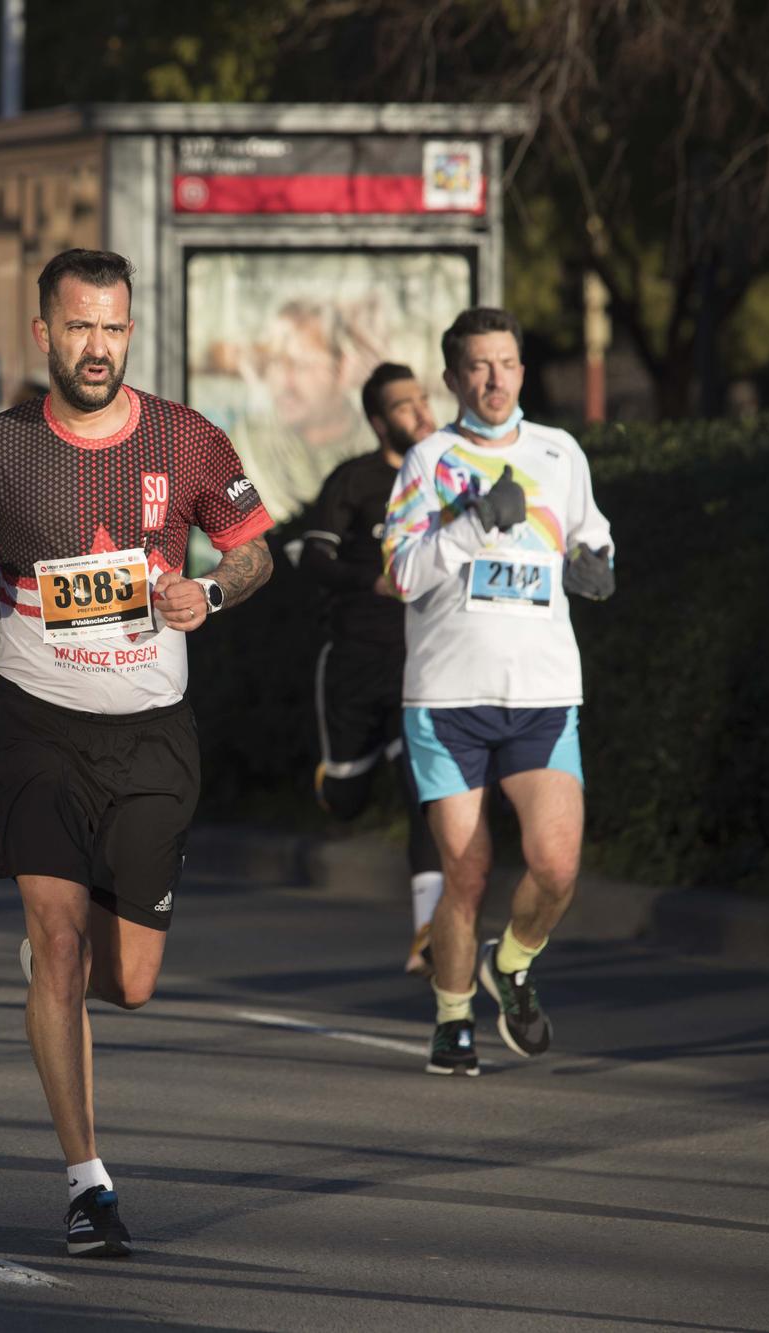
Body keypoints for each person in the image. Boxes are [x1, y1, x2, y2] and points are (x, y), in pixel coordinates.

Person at [0, 249, 273, 1256]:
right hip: (34, 721)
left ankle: (60, 969)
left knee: (131, 981)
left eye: (111, 328)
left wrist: (213, 590)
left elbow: (253, 545)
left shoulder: (185, 437)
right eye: (78, 327)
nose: (96, 347)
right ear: (43, 333)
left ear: (129, 331)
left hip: (152, 729)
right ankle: (87, 1182)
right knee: (59, 947)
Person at [380, 306, 615, 1078]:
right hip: (448, 699)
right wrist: (473, 521)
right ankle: (452, 1017)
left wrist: (597, 563)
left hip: (543, 690)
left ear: (522, 368)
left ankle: (510, 963)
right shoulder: (428, 462)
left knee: (556, 865)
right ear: (452, 378)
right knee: (469, 872)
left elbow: (591, 534)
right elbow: (402, 575)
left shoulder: (560, 451)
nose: (494, 379)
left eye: (507, 362)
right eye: (478, 366)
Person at [297, 362, 444, 972]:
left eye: (423, 400)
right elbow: (313, 558)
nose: (421, 413)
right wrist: (374, 582)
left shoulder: (450, 475)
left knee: (425, 795)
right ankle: (337, 780)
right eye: (405, 406)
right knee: (351, 799)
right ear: (380, 421)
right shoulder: (353, 481)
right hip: (357, 662)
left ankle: (429, 935)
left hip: (425, 665)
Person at [226, 299, 379, 523]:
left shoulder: (377, 441)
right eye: (276, 363)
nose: (284, 383)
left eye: (302, 365)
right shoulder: (244, 446)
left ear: (344, 368)